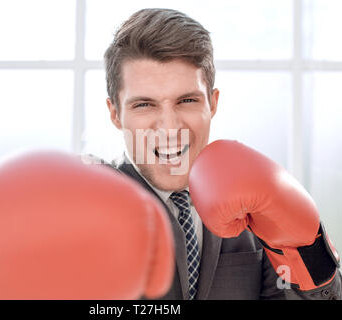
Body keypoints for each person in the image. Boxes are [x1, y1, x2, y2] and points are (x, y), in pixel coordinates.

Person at [101, 8, 341, 300]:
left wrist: (306, 250)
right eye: (144, 105)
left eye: (187, 100)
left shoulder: (252, 206)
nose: (169, 127)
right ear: (115, 113)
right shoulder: (90, 207)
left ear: (212, 104)